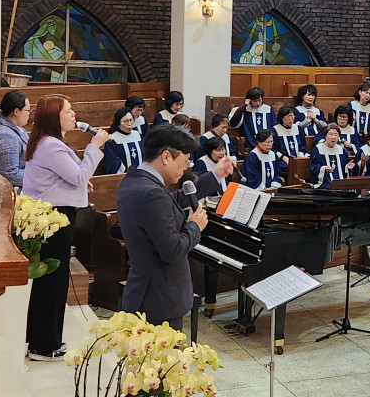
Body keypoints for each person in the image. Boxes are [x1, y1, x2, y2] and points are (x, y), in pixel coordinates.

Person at [116, 124, 235, 330]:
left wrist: (216, 175)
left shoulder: (135, 181)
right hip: (159, 299)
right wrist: (195, 226)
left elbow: (173, 201)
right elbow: (172, 250)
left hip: (146, 291)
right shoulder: (151, 193)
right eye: (184, 161)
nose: (185, 168)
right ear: (166, 156)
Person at [22, 94, 109, 361]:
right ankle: (44, 345)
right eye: (68, 111)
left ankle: (39, 340)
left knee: (50, 280)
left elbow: (63, 178)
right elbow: (79, 175)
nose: (74, 115)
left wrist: (80, 182)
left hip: (50, 215)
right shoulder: (51, 145)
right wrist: (95, 146)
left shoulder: (48, 142)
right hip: (55, 218)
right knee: (53, 281)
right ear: (54, 117)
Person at [0, 90, 30, 188]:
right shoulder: (5, 136)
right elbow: (10, 175)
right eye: (28, 110)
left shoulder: (19, 129)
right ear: (16, 112)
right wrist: (39, 177)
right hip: (14, 190)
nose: (29, 114)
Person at [310, 124, 356, 189]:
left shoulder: (341, 149)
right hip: (325, 182)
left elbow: (344, 167)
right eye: (331, 134)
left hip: (340, 181)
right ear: (325, 136)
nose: (333, 137)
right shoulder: (318, 149)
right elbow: (313, 167)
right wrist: (324, 169)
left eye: (336, 135)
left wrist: (347, 167)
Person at [102, 107, 143, 175]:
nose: (129, 124)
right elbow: (112, 162)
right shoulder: (112, 140)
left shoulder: (138, 135)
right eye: (125, 121)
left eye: (131, 120)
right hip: (123, 177)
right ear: (118, 124)